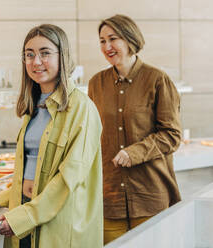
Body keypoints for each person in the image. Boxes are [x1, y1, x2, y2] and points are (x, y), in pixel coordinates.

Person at [0, 24, 103, 248]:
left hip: (58, 221)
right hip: (24, 210)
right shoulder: (35, 107)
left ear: (63, 57)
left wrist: (24, 217)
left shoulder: (82, 108)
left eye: (45, 53)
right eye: (29, 55)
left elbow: (68, 179)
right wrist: (2, 199)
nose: (36, 62)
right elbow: (30, 168)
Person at [88, 14, 182, 245]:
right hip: (108, 198)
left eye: (113, 38)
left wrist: (134, 153)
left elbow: (172, 135)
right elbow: (89, 135)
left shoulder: (157, 80)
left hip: (149, 193)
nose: (107, 46)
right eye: (102, 41)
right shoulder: (95, 84)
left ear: (130, 39)